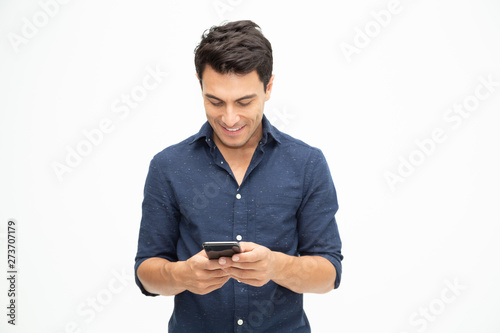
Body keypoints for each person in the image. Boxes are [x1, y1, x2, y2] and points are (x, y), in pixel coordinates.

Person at [134, 20, 343, 332]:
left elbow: (329, 274)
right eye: (215, 101)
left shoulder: (306, 163)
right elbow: (146, 272)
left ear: (268, 87)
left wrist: (276, 266)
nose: (229, 118)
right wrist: (183, 276)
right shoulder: (168, 166)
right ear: (199, 85)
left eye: (244, 102)